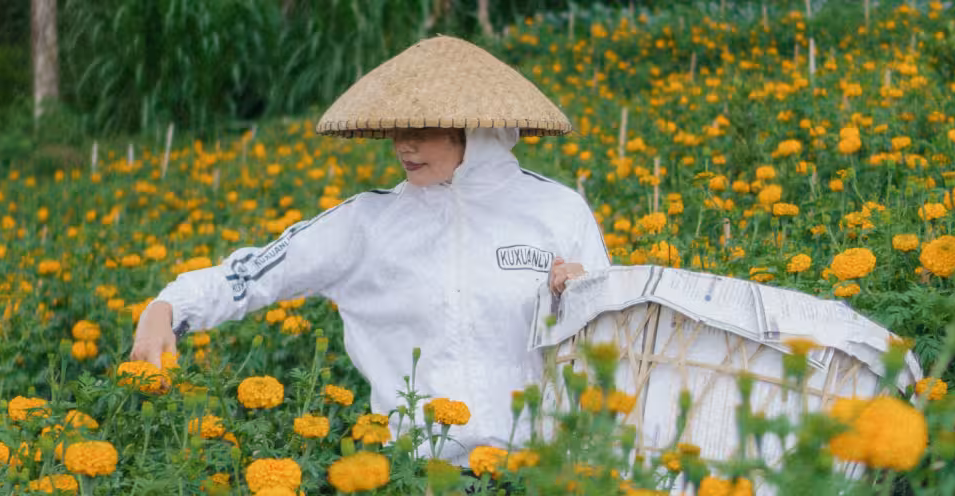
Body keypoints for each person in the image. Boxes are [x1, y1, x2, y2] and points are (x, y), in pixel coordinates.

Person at [130, 36, 610, 465]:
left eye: (423, 129)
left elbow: (618, 340)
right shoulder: (365, 223)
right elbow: (251, 275)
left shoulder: (557, 210)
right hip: (416, 470)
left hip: (542, 467)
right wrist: (167, 307)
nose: (404, 144)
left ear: (475, 129)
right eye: (397, 130)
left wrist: (584, 294)